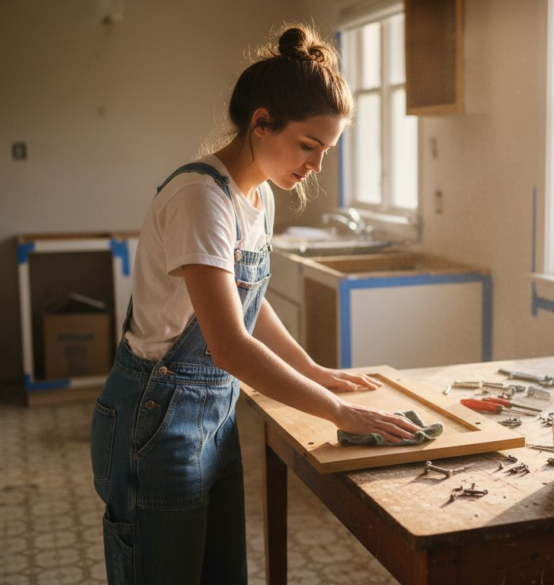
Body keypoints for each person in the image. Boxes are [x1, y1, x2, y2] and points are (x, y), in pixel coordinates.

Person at [89, 24, 422, 584]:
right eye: (308, 146)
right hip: (156, 417)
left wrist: (311, 369)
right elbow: (229, 346)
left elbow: (245, 305)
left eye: (327, 151)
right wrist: (336, 411)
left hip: (212, 416)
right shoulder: (201, 198)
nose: (316, 166)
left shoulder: (259, 195)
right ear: (261, 122)